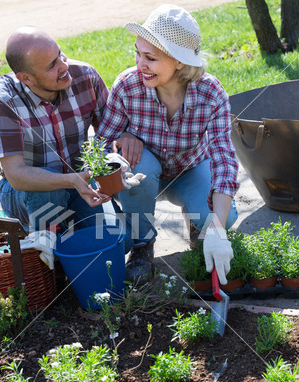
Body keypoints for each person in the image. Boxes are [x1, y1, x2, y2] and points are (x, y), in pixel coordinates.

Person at [97, 4, 240, 286]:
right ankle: (142, 245)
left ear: (179, 61)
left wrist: (217, 229)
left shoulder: (211, 93)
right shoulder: (127, 86)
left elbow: (224, 159)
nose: (140, 64)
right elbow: (101, 145)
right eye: (137, 53)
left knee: (226, 215)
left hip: (189, 171)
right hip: (144, 175)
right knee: (139, 161)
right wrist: (118, 144)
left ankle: (199, 227)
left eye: (150, 57)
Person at [0, 26, 141, 243]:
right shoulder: (3, 100)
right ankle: (43, 250)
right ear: (26, 78)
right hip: (28, 193)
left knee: (120, 241)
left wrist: (125, 137)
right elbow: (16, 174)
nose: (64, 66)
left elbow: (111, 131)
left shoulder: (85, 77)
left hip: (79, 184)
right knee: (49, 194)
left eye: (60, 55)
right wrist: (70, 180)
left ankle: (66, 233)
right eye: (52, 65)